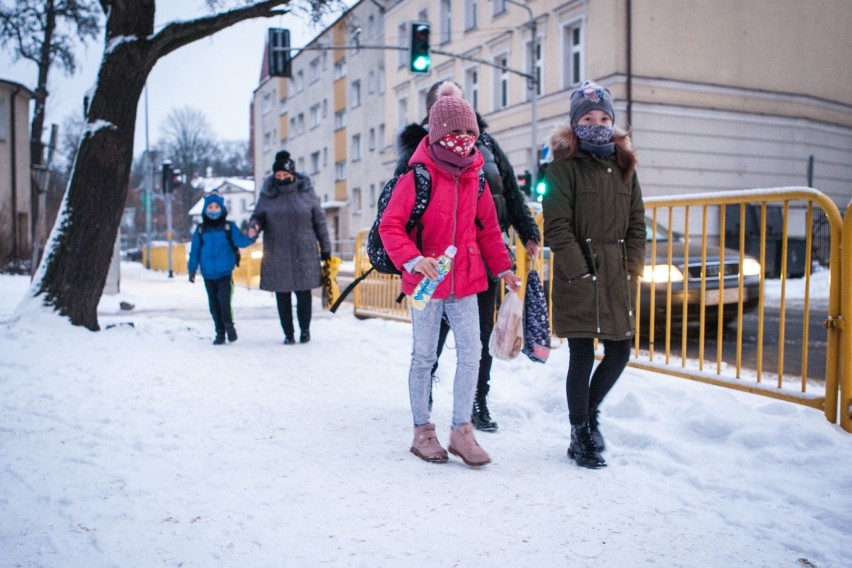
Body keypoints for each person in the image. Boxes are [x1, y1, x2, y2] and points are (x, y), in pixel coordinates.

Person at [379, 83, 522, 467]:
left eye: (469, 132)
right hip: (426, 283)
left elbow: (489, 230)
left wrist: (505, 268)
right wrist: (412, 258)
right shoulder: (417, 177)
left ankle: (462, 430)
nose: (462, 140)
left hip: (467, 281)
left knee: (472, 352)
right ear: (437, 132)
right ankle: (422, 431)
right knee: (424, 356)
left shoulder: (475, 178)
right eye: (455, 132)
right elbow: (390, 227)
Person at [542, 81, 645, 469]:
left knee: (620, 350)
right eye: (587, 117)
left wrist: (633, 266)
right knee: (582, 354)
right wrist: (579, 270)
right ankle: (579, 433)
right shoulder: (562, 167)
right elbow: (557, 225)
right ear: (574, 122)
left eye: (603, 117)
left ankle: (591, 412)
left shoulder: (625, 166)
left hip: (617, 274)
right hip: (579, 276)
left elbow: (637, 221)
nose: (596, 123)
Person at [248, 150, 332, 344]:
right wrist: (254, 226)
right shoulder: (268, 194)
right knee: (282, 295)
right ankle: (288, 334)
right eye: (278, 175)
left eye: (286, 175)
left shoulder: (306, 192)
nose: (282, 178)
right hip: (277, 252)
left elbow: (319, 221)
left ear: (293, 174)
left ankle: (305, 331)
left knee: (304, 294)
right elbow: (258, 216)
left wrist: (326, 249)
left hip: (304, 252)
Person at [188, 192, 256, 345]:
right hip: (208, 274)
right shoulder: (200, 230)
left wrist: (252, 236)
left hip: (225, 272)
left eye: (216, 206)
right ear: (205, 210)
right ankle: (219, 332)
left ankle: (229, 326)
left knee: (224, 302)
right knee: (214, 305)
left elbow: (240, 241)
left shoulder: (228, 227)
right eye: (210, 207)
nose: (213, 210)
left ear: (222, 208)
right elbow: (195, 251)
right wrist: (192, 270)